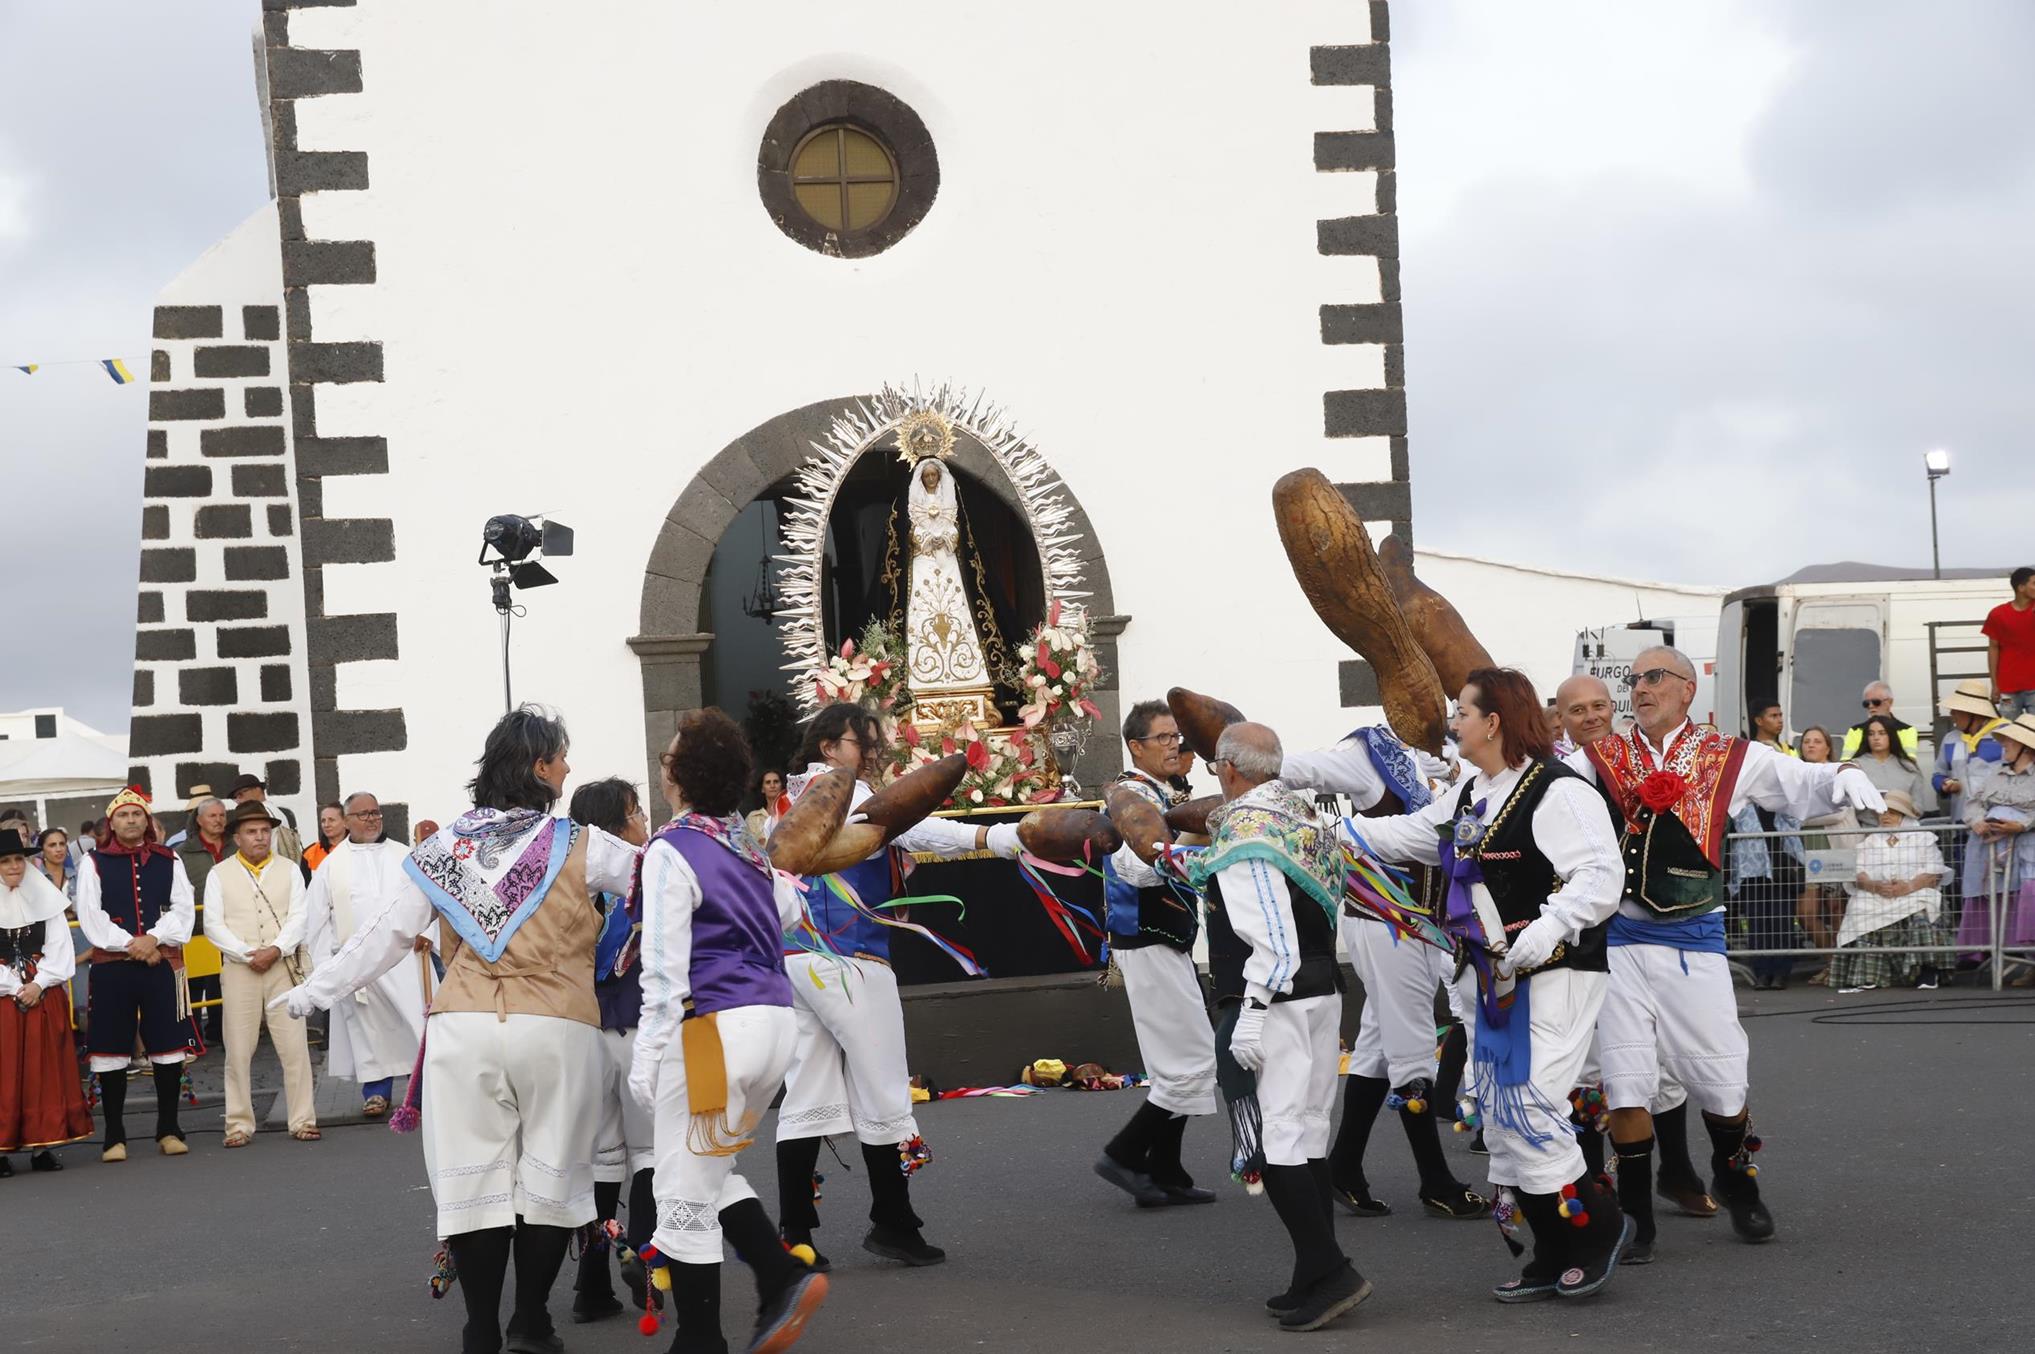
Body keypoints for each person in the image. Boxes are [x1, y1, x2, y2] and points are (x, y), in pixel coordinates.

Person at [276, 706, 645, 1354]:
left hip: (462, 1026)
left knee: (475, 1181)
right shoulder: (582, 844)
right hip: (555, 1025)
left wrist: (313, 991)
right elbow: (666, 885)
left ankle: (480, 1326)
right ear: (538, 767)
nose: (568, 767)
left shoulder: (443, 849)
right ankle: (530, 1319)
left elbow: (384, 935)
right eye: (561, 756)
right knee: (549, 1177)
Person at [1567, 645, 1884, 1256]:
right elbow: (1540, 800)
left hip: (1695, 941)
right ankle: (1636, 1216)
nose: (1641, 688)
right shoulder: (1597, 759)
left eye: (1654, 677)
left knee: (1721, 1079)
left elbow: (1801, 781)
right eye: (1634, 681)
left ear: (1689, 688)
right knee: (1626, 1078)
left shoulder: (1730, 756)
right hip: (1622, 941)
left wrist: (1844, 774)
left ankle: (1737, 1181)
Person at [1350, 669, 1631, 1299]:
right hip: (1487, 977)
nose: (1453, 723)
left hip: (1555, 973)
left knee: (1531, 1107)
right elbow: (1412, 835)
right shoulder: (1472, 793)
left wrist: (1544, 930)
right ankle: (1551, 1250)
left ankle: (1601, 1225)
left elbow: (1598, 876)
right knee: (1501, 1117)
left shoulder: (1558, 790)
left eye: (1462, 712)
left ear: (1493, 721)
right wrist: (1326, 833)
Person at [775, 702, 1023, 1269]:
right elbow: (920, 828)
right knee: (883, 1089)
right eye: (862, 740)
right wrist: (1002, 836)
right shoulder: (846, 797)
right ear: (828, 748)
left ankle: (795, 1232)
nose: (873, 749)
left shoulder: (784, 806)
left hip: (793, 962)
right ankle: (892, 1220)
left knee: (807, 1093)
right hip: (851, 959)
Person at [631, 709, 830, 1354]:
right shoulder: (749, 851)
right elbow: (793, 913)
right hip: (773, 1023)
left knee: (680, 1187)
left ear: (680, 776)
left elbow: (663, 970)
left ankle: (700, 1340)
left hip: (712, 1030)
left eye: (669, 758)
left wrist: (648, 1056)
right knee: (712, 1167)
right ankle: (778, 1277)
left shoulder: (671, 847)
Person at [1188, 722, 1370, 1331]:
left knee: (1280, 1139)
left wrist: (1253, 1011)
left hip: (1276, 997)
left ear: (1229, 769)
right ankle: (1312, 1274)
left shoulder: (1247, 830)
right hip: (1321, 991)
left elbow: (1271, 935)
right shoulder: (1301, 817)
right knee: (1309, 1132)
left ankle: (1330, 1267)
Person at [1279, 726, 1487, 1219]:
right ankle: (1436, 1182)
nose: (1438, 712)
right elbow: (1294, 767)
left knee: (1375, 1047)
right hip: (1387, 918)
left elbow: (1456, 777)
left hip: (1416, 921)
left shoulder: (1424, 756)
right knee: (1412, 1047)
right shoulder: (1365, 753)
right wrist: (1242, 761)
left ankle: (1344, 1166)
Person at [1092, 700, 1220, 1210]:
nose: (1175, 745)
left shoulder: (1157, 793)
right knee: (1191, 1059)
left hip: (1165, 937)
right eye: (1163, 738)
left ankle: (1167, 1169)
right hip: (1145, 939)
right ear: (1136, 747)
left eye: (1177, 737)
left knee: (1180, 1061)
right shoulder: (1129, 797)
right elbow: (1138, 871)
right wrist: (1194, 837)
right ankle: (1123, 1155)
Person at [567, 775, 655, 1324]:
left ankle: (591, 1284)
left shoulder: (569, 884)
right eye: (638, 811)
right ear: (620, 822)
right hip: (638, 1029)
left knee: (602, 1163)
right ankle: (649, 1272)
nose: (645, 821)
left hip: (586, 1037)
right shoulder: (641, 873)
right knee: (648, 1156)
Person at [73, 786, 199, 1161]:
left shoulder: (169, 859)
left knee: (167, 1046)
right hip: (114, 969)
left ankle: (169, 1128)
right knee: (111, 1050)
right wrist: (134, 944)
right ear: (111, 823)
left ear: (148, 821)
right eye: (123, 815)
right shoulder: (93, 863)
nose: (131, 820)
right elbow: (91, 918)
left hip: (161, 965)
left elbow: (183, 909)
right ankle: (114, 1135)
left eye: (137, 814)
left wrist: (155, 938)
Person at [301, 793, 430, 1122]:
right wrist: (330, 960)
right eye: (363, 814)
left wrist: (426, 936)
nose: (371, 819)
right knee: (370, 1033)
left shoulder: (404, 855)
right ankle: (376, 1093)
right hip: (359, 962)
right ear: (346, 821)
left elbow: (429, 903)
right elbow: (317, 918)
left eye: (375, 813)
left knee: (415, 1025)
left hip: (404, 962)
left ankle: (423, 1093)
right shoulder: (331, 866)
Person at [203, 801, 317, 1147]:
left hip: (280, 966)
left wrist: (276, 949)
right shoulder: (219, 874)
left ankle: (303, 1119)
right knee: (238, 1049)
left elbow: (300, 916)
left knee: (295, 1047)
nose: (260, 837)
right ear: (236, 837)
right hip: (240, 969)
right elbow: (212, 924)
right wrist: (244, 952)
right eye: (251, 832)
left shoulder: (289, 869)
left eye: (265, 831)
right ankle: (238, 1124)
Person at [0, 829, 94, 1176]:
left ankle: (42, 1146)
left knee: (43, 1072)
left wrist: (38, 983)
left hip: (42, 996)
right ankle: (1, 1150)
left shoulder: (46, 900)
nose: (13, 867)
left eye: (18, 860)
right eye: (5, 861)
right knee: (4, 1074)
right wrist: (12, 985)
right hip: (3, 1001)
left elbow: (61, 949)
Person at [1831, 790, 1948, 993]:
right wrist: (1873, 885)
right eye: (1883, 812)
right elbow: (1858, 872)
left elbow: (1934, 871)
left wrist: (1908, 886)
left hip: (1914, 890)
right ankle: (1868, 974)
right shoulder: (1870, 841)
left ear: (1905, 816)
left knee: (1924, 907)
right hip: (1879, 892)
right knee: (1860, 907)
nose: (1885, 816)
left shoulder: (1924, 838)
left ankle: (1926, 971)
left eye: (1892, 812)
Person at [1964, 714, 2035, 985]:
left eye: (2010, 741)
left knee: (2028, 904)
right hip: (1991, 855)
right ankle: (2004, 958)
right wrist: (1977, 821)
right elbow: (1973, 802)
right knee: (1997, 902)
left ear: (2025, 748)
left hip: (2027, 852)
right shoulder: (1996, 773)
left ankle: (2031, 964)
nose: (2003, 744)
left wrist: (2022, 824)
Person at [1727, 793, 1805, 990]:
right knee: (1757, 923)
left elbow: (1795, 822)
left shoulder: (1784, 800)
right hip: (1751, 870)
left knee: (1782, 922)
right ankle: (1761, 972)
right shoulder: (1740, 805)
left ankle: (1781, 972)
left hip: (1782, 870)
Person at [1793, 727, 1853, 983]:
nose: (1811, 745)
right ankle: (1832, 963)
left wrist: (1801, 815)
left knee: (1836, 910)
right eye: (1806, 741)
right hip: (1806, 852)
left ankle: (1839, 969)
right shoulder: (1795, 775)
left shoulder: (1839, 772)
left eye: (1817, 741)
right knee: (1806, 913)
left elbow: (1839, 812)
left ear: (1828, 747)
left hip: (1835, 848)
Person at [175, 796, 230, 1046]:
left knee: (223, 983)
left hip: (231, 927)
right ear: (199, 820)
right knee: (194, 986)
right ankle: (192, 1036)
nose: (218, 820)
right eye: (212, 816)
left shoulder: (234, 846)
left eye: (221, 815)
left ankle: (220, 1033)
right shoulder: (183, 853)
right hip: (196, 929)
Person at [1849, 713, 1933, 816]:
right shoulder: (1855, 767)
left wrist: (1901, 807)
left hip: (1903, 828)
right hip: (1867, 828)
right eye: (1871, 734)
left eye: (1882, 733)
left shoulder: (1908, 767)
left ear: (1891, 736)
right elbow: (1848, 804)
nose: (1876, 738)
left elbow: (1918, 805)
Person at [1984, 566, 2035, 717]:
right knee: (2008, 733)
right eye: (2034, 583)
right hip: (2008, 688)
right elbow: (1993, 649)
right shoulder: (1998, 614)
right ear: (2021, 587)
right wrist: (1994, 685)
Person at [227, 774, 303, 862]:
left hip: (269, 864)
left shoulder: (261, 811)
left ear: (257, 789)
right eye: (235, 798)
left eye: (241, 794)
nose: (238, 800)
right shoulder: (274, 809)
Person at [1840, 683, 1920, 761]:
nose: (1871, 706)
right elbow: (1846, 764)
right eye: (1866, 703)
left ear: (1890, 702)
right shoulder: (1855, 731)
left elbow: (1909, 762)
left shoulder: (1907, 730)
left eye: (1876, 702)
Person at [1552, 673, 1616, 759]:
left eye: (1598, 706)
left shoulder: (1636, 757)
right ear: (1561, 718)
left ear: (1612, 708)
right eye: (1578, 710)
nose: (1591, 717)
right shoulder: (1551, 768)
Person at [743, 770, 790, 847]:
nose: (772, 785)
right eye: (768, 782)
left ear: (782, 786)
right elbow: (747, 846)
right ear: (762, 789)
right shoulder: (753, 817)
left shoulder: (790, 814)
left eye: (776, 781)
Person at [303, 801, 347, 872]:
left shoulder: (358, 850)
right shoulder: (310, 853)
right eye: (323, 821)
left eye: (331, 820)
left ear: (345, 822)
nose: (326, 825)